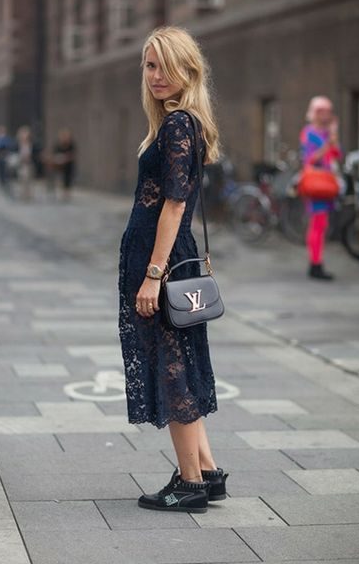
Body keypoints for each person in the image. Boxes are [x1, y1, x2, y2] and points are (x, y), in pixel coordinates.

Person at [119, 26, 224, 513]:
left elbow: (174, 206)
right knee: (180, 359)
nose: (156, 75)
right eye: (150, 64)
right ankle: (205, 470)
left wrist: (153, 275)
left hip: (161, 262)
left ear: (188, 69)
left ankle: (189, 485)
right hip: (161, 257)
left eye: (165, 64)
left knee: (173, 368)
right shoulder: (176, 123)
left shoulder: (179, 125)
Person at [299, 95, 342, 281]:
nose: (326, 115)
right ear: (315, 113)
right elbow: (310, 159)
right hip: (316, 182)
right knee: (317, 224)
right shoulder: (308, 133)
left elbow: (337, 154)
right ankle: (315, 263)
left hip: (327, 182)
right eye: (322, 111)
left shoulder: (327, 134)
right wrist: (328, 145)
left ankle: (317, 262)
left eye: (328, 112)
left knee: (321, 224)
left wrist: (334, 136)